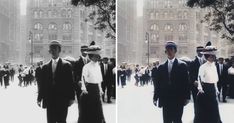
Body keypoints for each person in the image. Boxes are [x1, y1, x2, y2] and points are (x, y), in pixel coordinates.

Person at [37, 40, 75, 123]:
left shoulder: (67, 65)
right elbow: (42, 85)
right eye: (51, 49)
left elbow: (70, 83)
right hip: (50, 99)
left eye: (55, 48)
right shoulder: (45, 67)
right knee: (50, 120)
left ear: (59, 50)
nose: (53, 51)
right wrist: (39, 98)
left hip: (63, 99)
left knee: (62, 120)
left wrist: (72, 98)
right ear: (49, 51)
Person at [153, 41, 190, 123]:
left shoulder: (182, 65)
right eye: (167, 50)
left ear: (175, 51)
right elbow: (158, 84)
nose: (169, 52)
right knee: (166, 120)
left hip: (178, 98)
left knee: (177, 120)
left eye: (171, 50)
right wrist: (155, 97)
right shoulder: (161, 67)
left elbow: (186, 83)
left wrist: (187, 97)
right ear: (165, 52)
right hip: (166, 99)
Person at [194, 45, 222, 123]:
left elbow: (215, 80)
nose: (214, 57)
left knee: (214, 111)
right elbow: (199, 79)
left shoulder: (214, 66)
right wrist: (200, 89)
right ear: (208, 57)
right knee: (205, 113)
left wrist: (216, 89)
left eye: (214, 55)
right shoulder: (203, 67)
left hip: (212, 90)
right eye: (212, 56)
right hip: (205, 91)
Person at [78, 45, 106, 123]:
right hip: (89, 90)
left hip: (96, 90)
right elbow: (83, 79)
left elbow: (99, 80)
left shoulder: (98, 66)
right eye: (96, 56)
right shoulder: (86, 67)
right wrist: (84, 89)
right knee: (88, 112)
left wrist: (100, 89)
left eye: (98, 56)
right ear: (91, 56)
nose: (98, 58)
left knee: (98, 111)